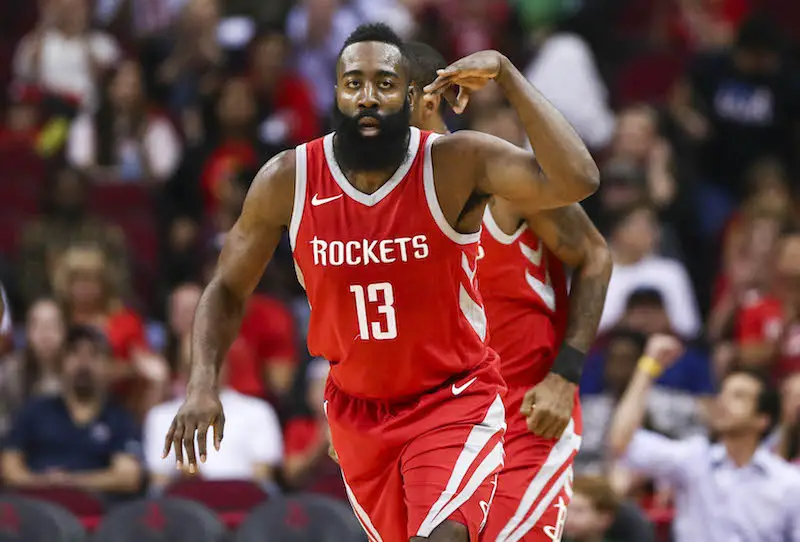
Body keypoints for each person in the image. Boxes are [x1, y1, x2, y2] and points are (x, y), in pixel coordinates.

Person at [164, 23, 598, 542]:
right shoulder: (288, 178)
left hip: (452, 398)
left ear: (412, 96)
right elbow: (227, 288)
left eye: (385, 84)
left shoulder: (456, 164)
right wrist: (201, 385)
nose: (368, 96)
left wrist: (506, 74)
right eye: (354, 83)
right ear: (335, 92)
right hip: (356, 414)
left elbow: (577, 179)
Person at [406, 40, 611, 542]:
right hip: (439, 423)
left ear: (426, 100)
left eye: (383, 93)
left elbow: (594, 254)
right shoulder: (382, 205)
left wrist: (566, 375)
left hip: (524, 417)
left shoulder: (499, 176)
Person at [607, 334, 800, 542]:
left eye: (738, 396)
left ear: (763, 419)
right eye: (723, 393)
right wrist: (648, 366)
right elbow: (621, 442)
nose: (723, 402)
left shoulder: (788, 483)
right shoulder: (693, 459)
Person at [1, 325, 142, 497]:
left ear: (107, 365)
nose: (83, 363)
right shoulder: (35, 411)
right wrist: (43, 483)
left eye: (93, 355)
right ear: (61, 364)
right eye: (74, 353)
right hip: (36, 511)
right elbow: (9, 468)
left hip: (95, 516)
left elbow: (128, 477)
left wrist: (71, 482)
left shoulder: (119, 418)